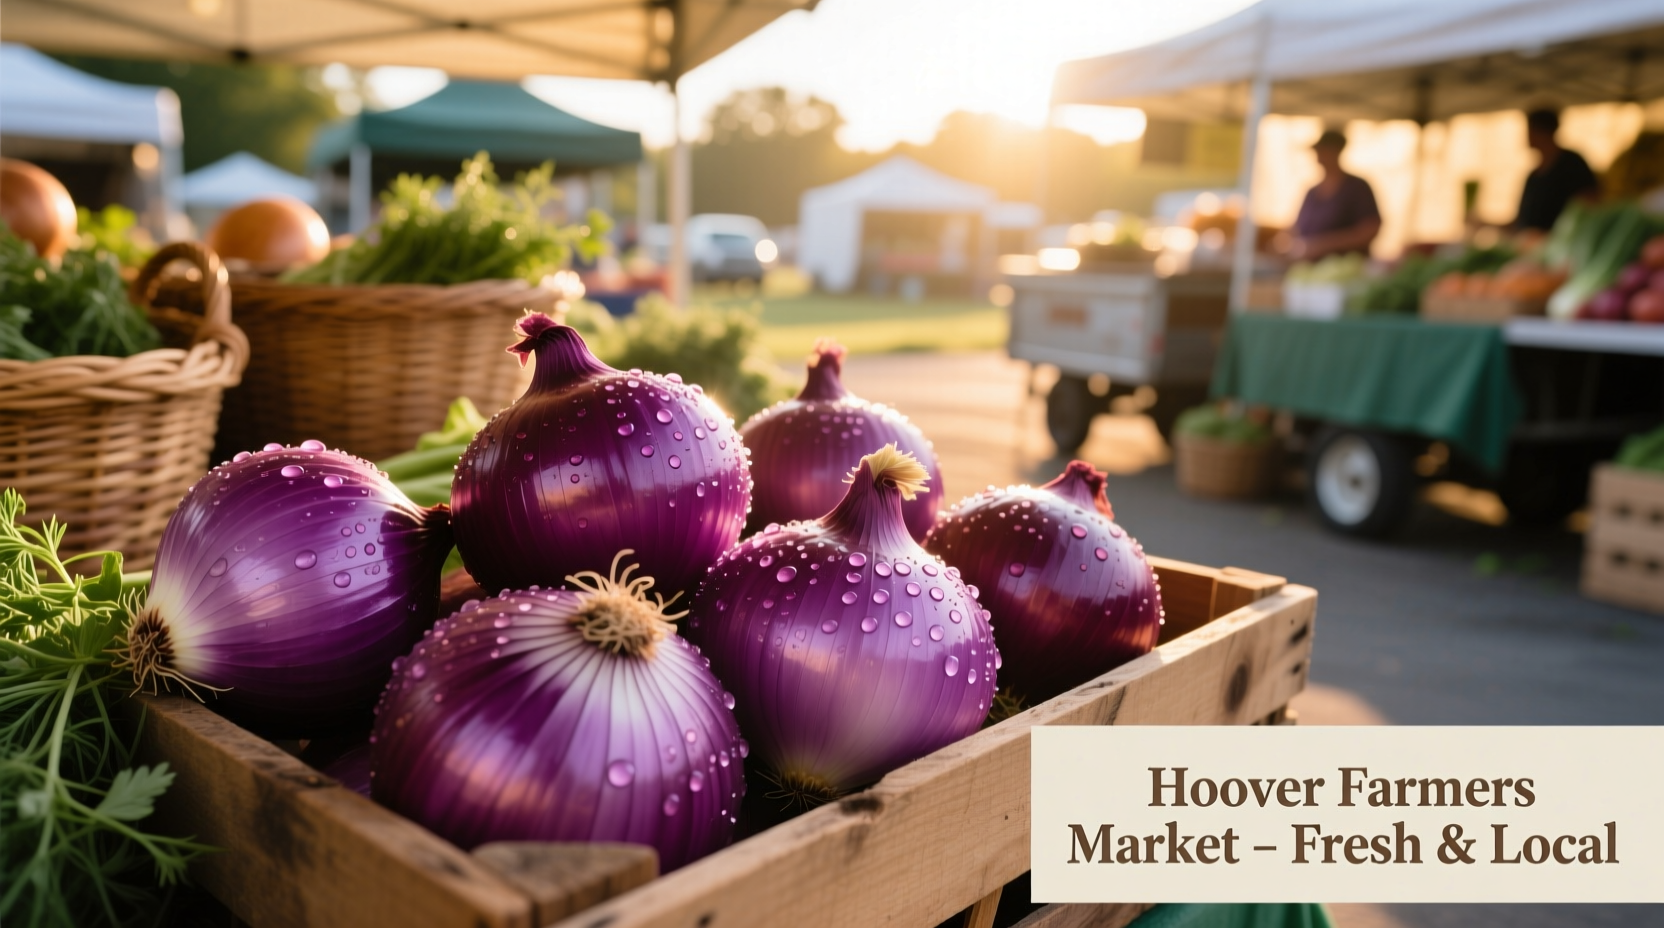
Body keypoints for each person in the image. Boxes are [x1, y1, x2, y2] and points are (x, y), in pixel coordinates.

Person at [1290, 130, 1381, 260]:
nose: (1319, 155)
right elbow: (1297, 228)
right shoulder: (1312, 192)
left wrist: (1324, 245)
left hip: (1344, 264)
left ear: (1336, 152)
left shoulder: (1356, 187)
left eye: (1324, 150)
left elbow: (1371, 228)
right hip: (1307, 265)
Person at [1513, 108, 1600, 232]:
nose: (1527, 135)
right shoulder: (1533, 175)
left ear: (1543, 131)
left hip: (1562, 241)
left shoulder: (1571, 164)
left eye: (1531, 130)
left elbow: (1589, 203)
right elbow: (1522, 220)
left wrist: (1555, 236)